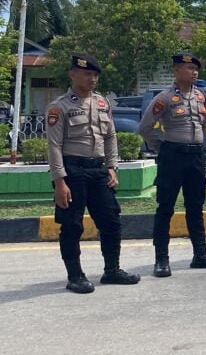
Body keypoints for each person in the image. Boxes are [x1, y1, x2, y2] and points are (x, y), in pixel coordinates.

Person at [46, 54, 140, 294]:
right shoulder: (59, 106)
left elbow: (110, 137)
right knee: (72, 225)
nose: (92, 78)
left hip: (98, 171)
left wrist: (112, 167)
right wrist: (59, 181)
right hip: (72, 171)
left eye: (95, 75)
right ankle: (75, 276)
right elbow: (54, 146)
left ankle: (112, 270)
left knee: (111, 221)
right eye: (87, 74)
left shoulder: (102, 103)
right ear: (72, 75)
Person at [140, 52, 206, 277]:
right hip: (173, 156)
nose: (194, 72)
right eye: (189, 68)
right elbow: (145, 128)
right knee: (165, 208)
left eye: (196, 68)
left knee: (195, 206)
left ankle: (200, 254)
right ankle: (161, 259)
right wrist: (164, 149)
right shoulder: (164, 98)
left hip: (196, 156)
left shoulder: (201, 97)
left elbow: (202, 122)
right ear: (176, 71)